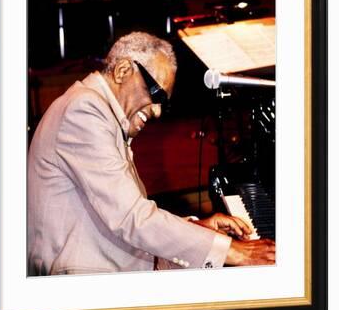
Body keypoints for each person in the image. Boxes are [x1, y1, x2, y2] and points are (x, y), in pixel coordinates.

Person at [27, 32, 275, 276]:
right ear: (123, 70)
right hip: (85, 280)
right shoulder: (84, 111)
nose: (157, 112)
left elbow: (125, 213)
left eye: (163, 103)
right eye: (156, 94)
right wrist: (236, 252)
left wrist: (196, 228)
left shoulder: (94, 109)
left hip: (108, 263)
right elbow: (132, 219)